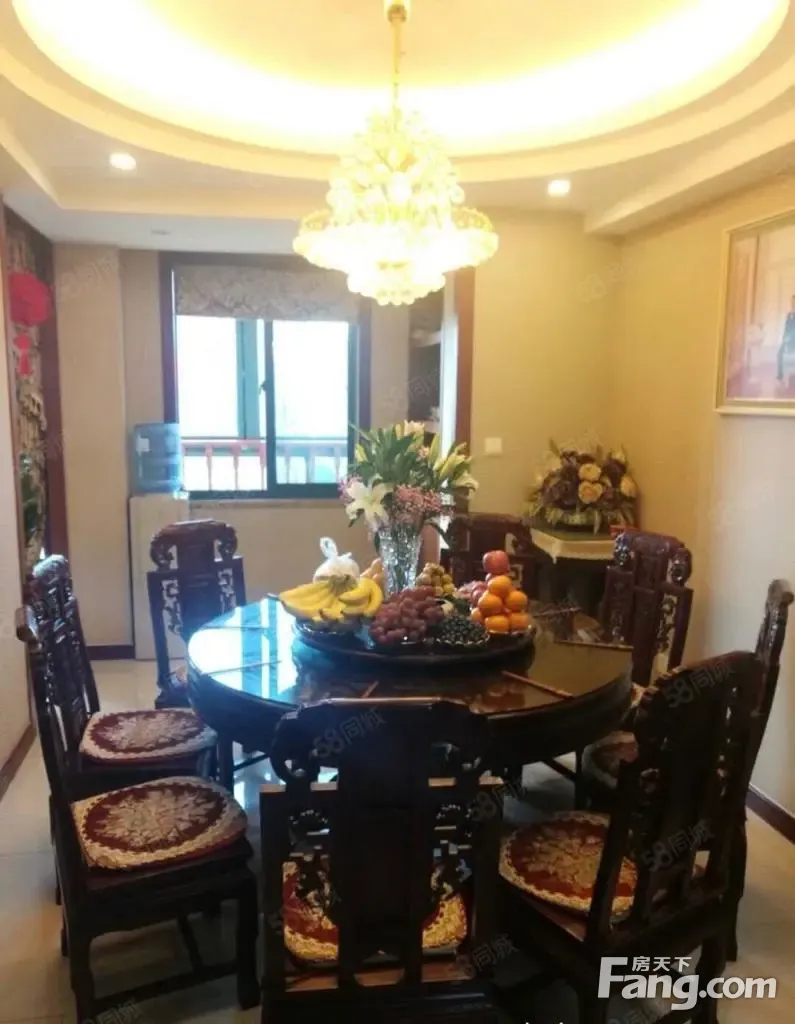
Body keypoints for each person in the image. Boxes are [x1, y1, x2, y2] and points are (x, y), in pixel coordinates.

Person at [776, 295, 795, 381]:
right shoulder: (789, 315)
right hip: (788, 341)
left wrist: (790, 337)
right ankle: (780, 375)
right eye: (792, 302)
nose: (793, 304)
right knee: (779, 354)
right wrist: (784, 340)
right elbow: (786, 328)